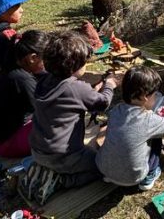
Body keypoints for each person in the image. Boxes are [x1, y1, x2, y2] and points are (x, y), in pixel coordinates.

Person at [27, 31, 117, 204]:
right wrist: (110, 85)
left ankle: (45, 170)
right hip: (64, 157)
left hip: (37, 150)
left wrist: (90, 92)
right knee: (104, 165)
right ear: (76, 65)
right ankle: (61, 181)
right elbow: (103, 103)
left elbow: (70, 99)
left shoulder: (43, 80)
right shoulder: (77, 89)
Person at [96, 67, 164, 191]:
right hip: (132, 177)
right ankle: (149, 176)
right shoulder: (148, 120)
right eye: (155, 95)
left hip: (103, 168)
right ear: (145, 97)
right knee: (157, 138)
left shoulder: (116, 110)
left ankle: (111, 175)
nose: (156, 97)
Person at [0, 29, 49, 158]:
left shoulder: (11, 65)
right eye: (46, 60)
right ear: (33, 58)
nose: (48, 65)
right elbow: (48, 110)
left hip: (4, 137)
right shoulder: (22, 80)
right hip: (8, 145)